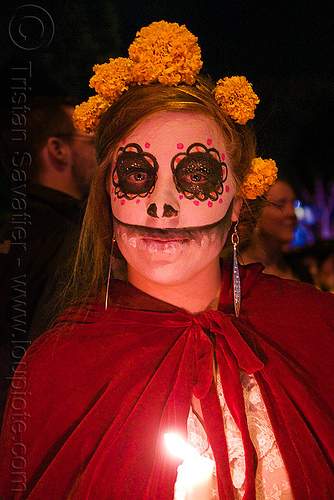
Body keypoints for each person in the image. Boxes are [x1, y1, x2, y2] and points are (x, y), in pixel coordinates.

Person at [0, 21, 333, 500]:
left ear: (238, 200)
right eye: (137, 175)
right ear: (109, 199)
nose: (163, 205)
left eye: (196, 176)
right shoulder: (58, 367)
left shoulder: (317, 329)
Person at [0, 96, 97, 423]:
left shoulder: (13, 228)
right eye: (91, 140)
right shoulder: (67, 240)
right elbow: (53, 364)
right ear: (57, 149)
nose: (100, 153)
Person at [238, 178, 299, 279]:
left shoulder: (299, 268)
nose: (291, 213)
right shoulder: (236, 272)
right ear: (256, 212)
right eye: (280, 205)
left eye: (293, 204)